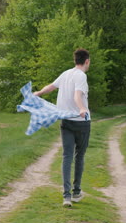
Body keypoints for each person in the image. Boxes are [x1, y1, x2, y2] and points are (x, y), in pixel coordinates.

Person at [33, 48, 91, 207]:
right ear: (87, 61)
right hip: (81, 122)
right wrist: (81, 109)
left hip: (65, 121)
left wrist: (38, 93)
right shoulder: (81, 76)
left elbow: (51, 87)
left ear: (75, 60)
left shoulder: (66, 74)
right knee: (79, 156)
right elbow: (77, 95)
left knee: (67, 156)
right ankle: (76, 192)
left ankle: (66, 196)